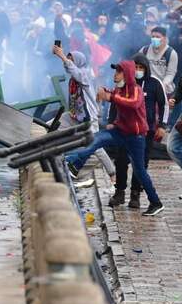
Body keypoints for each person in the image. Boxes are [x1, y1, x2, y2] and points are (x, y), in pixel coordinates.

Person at [65, 60, 163, 216]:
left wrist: (109, 97)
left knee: (140, 171)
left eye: (118, 72)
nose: (115, 75)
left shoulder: (136, 90)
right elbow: (113, 100)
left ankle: (156, 202)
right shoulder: (118, 90)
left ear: (127, 74)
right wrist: (105, 99)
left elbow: (132, 104)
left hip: (136, 137)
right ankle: (74, 165)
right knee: (95, 139)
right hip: (120, 132)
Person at [108, 55, 168, 208]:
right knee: (121, 161)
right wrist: (110, 121)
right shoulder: (124, 84)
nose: (138, 71)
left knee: (140, 164)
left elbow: (163, 105)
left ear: (146, 68)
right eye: (136, 67)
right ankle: (119, 192)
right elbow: (114, 103)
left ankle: (135, 195)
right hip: (124, 129)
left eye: (142, 68)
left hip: (145, 131)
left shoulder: (154, 83)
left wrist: (162, 125)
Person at [51, 46, 115, 180]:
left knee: (95, 146)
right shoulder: (73, 78)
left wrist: (62, 56)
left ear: (79, 62)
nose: (68, 61)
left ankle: (112, 172)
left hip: (88, 117)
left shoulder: (84, 74)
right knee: (52, 126)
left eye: (71, 59)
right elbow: (70, 68)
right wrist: (62, 57)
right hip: (74, 115)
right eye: (68, 58)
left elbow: (74, 71)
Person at [139, 26, 177, 95]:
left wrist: (161, 85)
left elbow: (170, 74)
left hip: (164, 90)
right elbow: (137, 66)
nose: (154, 39)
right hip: (147, 88)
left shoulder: (171, 53)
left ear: (164, 38)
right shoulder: (144, 50)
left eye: (158, 37)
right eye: (153, 37)